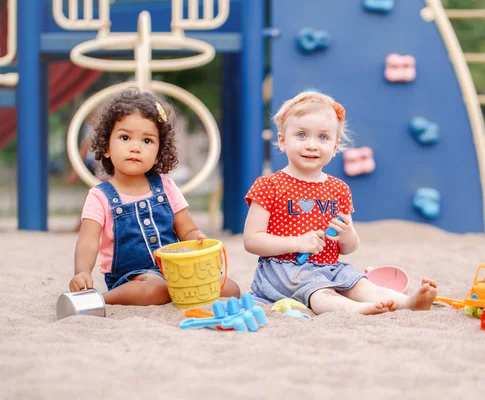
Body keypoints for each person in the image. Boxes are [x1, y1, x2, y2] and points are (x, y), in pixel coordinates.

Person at [243, 91, 437, 315]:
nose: (312, 145)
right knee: (320, 293)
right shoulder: (270, 185)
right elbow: (252, 240)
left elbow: (348, 247)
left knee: (362, 284)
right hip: (285, 271)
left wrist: (347, 236)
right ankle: (356, 309)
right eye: (302, 135)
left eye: (323, 137)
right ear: (282, 140)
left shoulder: (339, 189)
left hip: (330, 268)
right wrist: (296, 242)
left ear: (335, 147)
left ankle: (408, 302)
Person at [68, 87, 240, 305]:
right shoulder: (100, 195)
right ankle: (101, 299)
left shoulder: (166, 188)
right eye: (124, 137)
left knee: (230, 288)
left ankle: (176, 290)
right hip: (133, 277)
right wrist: (82, 271)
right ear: (107, 147)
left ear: (159, 152)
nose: (135, 147)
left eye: (147, 141)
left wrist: (198, 239)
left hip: (176, 269)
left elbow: (186, 228)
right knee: (154, 288)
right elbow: (88, 241)